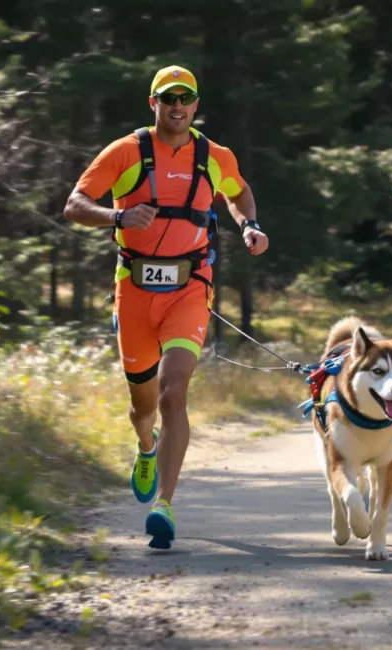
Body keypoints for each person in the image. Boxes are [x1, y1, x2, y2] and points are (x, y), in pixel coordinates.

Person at [63, 65, 269, 549]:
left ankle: (165, 505)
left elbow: (239, 192)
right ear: (152, 103)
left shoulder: (214, 156)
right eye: (167, 97)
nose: (177, 106)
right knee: (143, 405)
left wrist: (249, 226)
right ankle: (145, 446)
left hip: (190, 287)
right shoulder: (126, 151)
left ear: (196, 105)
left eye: (186, 98)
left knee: (174, 390)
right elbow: (74, 204)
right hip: (134, 292)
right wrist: (117, 215)